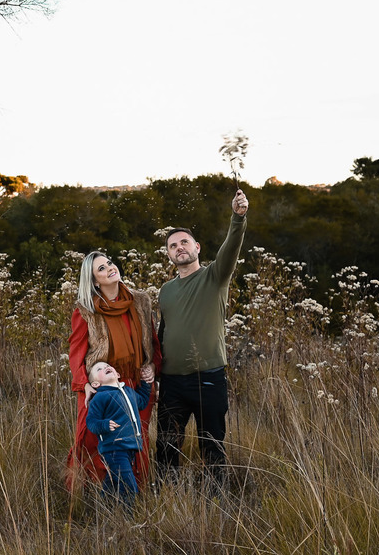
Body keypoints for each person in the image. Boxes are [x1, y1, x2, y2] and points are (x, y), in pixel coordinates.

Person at [155, 189, 249, 484]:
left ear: (197, 247)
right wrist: (154, 372)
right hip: (171, 382)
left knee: (212, 445)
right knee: (166, 447)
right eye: (173, 246)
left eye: (184, 242)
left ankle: (215, 501)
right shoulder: (166, 291)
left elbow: (231, 248)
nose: (179, 248)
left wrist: (238, 218)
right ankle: (165, 497)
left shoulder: (215, 277)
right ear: (169, 254)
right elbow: (163, 332)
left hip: (208, 378)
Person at [67, 252, 159, 491]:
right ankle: (90, 494)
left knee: (136, 439)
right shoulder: (86, 310)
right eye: (101, 268)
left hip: (136, 386)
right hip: (102, 386)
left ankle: (134, 494)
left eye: (109, 263)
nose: (109, 268)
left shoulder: (140, 302)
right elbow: (76, 352)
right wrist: (84, 384)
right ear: (94, 281)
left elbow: (153, 342)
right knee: (92, 439)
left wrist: (152, 367)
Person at [85, 361, 153, 502]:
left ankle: (104, 506)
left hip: (130, 447)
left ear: (118, 374)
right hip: (114, 448)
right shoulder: (100, 397)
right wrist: (104, 424)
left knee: (113, 482)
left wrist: (146, 383)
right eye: (99, 369)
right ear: (95, 384)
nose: (105, 368)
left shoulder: (129, 392)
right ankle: (128, 513)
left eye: (107, 366)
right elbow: (91, 421)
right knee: (129, 487)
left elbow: (142, 402)